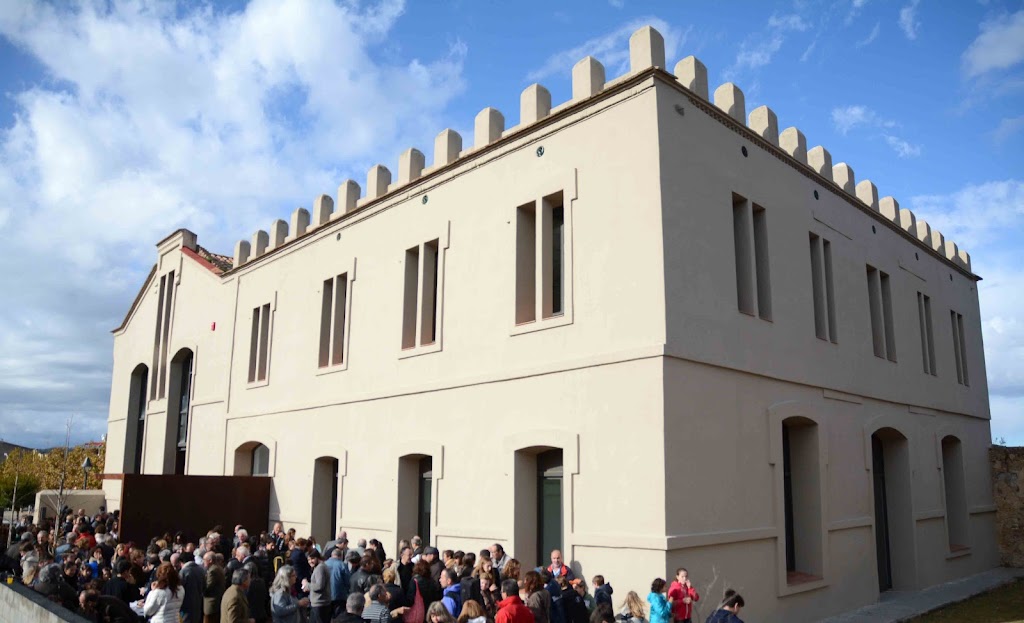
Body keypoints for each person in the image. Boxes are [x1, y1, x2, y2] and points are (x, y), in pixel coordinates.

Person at [326, 545, 352, 616]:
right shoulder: (342, 565)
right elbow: (348, 580)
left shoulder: (324, 564)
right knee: (338, 616)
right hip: (339, 595)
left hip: (326, 595)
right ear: (340, 556)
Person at [307, 548, 332, 623]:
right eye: (308, 560)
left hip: (320, 603)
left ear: (317, 558)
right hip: (320, 603)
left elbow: (319, 586)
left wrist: (307, 585)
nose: (310, 561)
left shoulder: (320, 568)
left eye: (312, 559)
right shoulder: (319, 567)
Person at [204, 550, 227, 623]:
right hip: (216, 602)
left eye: (205, 560)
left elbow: (207, 587)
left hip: (212, 603)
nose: (203, 562)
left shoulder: (213, 570)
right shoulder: (218, 567)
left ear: (210, 560)